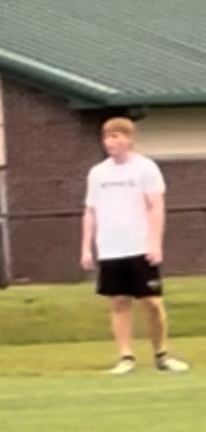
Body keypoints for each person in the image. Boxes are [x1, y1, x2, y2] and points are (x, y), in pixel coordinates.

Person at [80, 117, 189, 375]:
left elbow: (156, 207)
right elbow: (90, 211)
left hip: (139, 246)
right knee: (119, 301)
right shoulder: (98, 173)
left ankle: (162, 355)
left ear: (129, 139)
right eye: (107, 137)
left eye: (116, 136)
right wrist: (86, 247)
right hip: (110, 248)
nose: (111, 142)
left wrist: (155, 243)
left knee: (151, 302)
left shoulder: (145, 168)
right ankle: (126, 357)